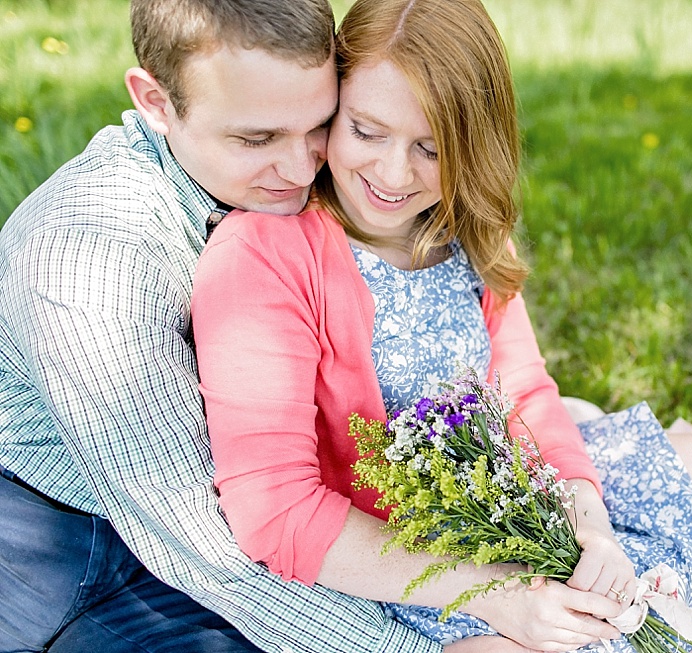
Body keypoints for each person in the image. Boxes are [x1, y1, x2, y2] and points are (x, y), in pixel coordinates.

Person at [192, 0, 692, 651]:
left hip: (535, 494)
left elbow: (527, 391)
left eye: (433, 147)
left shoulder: (462, 230)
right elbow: (276, 509)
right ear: (331, 105)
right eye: (366, 131)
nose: (395, 175)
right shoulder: (267, 255)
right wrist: (502, 589)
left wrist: (588, 519)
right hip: (423, 565)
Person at [0, 1, 444, 652]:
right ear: (155, 101)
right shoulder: (86, 267)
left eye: (319, 125)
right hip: (72, 557)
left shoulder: (276, 180)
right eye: (256, 139)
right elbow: (202, 547)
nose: (301, 170)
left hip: (253, 491)